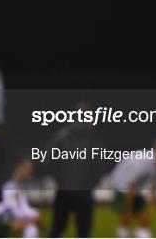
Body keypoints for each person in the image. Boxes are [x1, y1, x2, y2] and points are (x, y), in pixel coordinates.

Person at [46, 102, 106, 238]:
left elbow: (49, 161)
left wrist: (60, 180)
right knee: (83, 233)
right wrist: (91, 184)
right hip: (84, 192)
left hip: (63, 190)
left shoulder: (61, 136)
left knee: (56, 230)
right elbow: (99, 166)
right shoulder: (93, 138)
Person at [110, 139, 156, 238]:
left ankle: (142, 234)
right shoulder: (141, 163)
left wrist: (152, 201)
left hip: (136, 187)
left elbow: (155, 185)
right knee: (127, 213)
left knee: (143, 215)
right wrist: (129, 206)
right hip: (121, 185)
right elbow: (129, 185)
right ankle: (124, 234)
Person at [0, 157, 41, 238]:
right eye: (27, 169)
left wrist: (34, 215)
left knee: (32, 228)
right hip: (1, 219)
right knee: (31, 227)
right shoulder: (7, 184)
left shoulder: (19, 185)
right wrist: (28, 220)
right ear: (19, 168)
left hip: (12, 217)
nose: (29, 172)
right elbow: (10, 207)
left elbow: (23, 206)